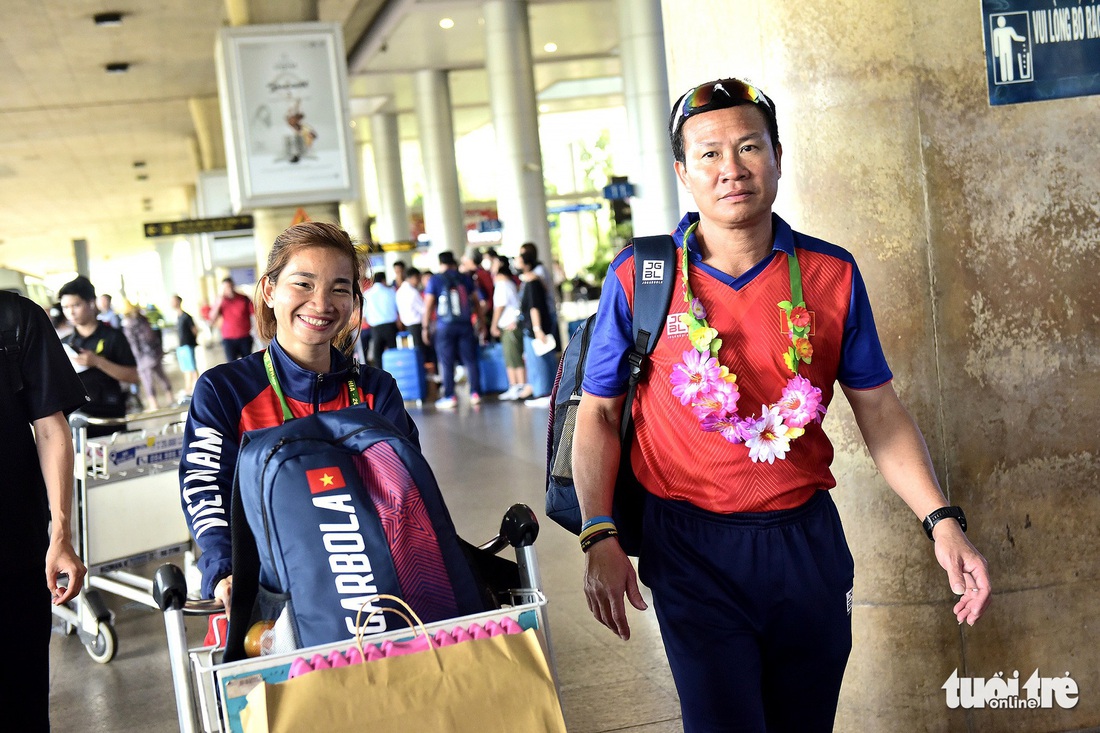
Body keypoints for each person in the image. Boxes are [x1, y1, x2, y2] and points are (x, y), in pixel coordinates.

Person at [574, 77, 991, 732]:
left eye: (749, 147)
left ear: (776, 156)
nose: (731, 169)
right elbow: (598, 413)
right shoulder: (641, 277)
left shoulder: (832, 274)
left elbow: (879, 410)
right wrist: (599, 530)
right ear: (683, 172)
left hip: (806, 544)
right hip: (690, 546)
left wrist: (941, 519)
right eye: (709, 153)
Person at [179, 222, 420, 609]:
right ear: (270, 291)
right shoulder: (223, 390)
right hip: (267, 597)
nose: (322, 304)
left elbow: (407, 493)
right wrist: (225, 568)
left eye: (340, 288)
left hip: (376, 592)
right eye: (303, 284)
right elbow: (206, 489)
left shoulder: (377, 389)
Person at [0, 291, 88, 732]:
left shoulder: (16, 319)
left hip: (15, 548)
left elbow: (51, 428)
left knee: (22, 703)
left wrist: (61, 534)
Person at [58, 276, 139, 434]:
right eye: (65, 307)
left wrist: (98, 362)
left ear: (91, 303)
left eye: (76, 305)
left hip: (110, 415)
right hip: (78, 417)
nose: (71, 312)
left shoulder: (113, 337)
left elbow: (133, 376)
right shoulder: (64, 343)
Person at [422, 251, 481, 409]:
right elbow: (476, 301)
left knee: (446, 362)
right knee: (470, 360)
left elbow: (428, 305)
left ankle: (450, 396)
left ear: (440, 263)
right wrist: (480, 322)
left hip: (444, 326)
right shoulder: (464, 278)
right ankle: (475, 393)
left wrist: (425, 327)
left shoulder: (435, 280)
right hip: (465, 324)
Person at [517, 251, 557, 407]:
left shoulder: (532, 283)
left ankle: (544, 392)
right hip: (534, 328)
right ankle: (544, 391)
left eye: (519, 261)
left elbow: (534, 307)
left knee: (539, 361)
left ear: (526, 264)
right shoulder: (534, 281)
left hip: (534, 329)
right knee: (540, 360)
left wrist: (537, 328)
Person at [121, 302, 173, 410]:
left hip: (143, 357)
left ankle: (154, 404)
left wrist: (136, 358)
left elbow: (133, 343)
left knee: (147, 380)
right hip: (154, 353)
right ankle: (170, 397)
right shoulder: (143, 319)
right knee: (161, 375)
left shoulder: (129, 324)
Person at [489, 260, 529, 400]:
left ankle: (519, 386)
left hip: (509, 325)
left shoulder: (502, 284)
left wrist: (493, 325)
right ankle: (516, 386)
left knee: (514, 357)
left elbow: (500, 306)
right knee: (512, 356)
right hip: (511, 324)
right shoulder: (509, 283)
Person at [210, 277, 255, 361]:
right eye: (226, 288)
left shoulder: (244, 299)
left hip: (244, 337)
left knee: (248, 363)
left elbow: (255, 313)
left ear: (233, 286)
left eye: (230, 286)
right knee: (231, 364)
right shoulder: (220, 301)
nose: (229, 289)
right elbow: (212, 317)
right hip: (228, 339)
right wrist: (218, 302)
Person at [363, 271, 400, 366]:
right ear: (384, 280)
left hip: (376, 328)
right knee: (394, 353)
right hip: (390, 326)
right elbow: (397, 309)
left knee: (377, 355)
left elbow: (364, 316)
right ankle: (395, 373)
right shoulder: (391, 291)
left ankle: (380, 377)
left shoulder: (367, 294)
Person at [171, 294, 200, 395]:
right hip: (181, 346)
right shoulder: (178, 317)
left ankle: (196, 386)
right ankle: (188, 387)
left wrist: (192, 340)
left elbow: (194, 330)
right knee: (185, 367)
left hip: (187, 344)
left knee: (191, 367)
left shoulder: (186, 316)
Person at [395, 266, 427, 354]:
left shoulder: (399, 291)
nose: (419, 281)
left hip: (407, 326)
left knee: (415, 352)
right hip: (417, 326)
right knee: (420, 352)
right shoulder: (412, 292)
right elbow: (423, 309)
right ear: (413, 277)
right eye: (419, 278)